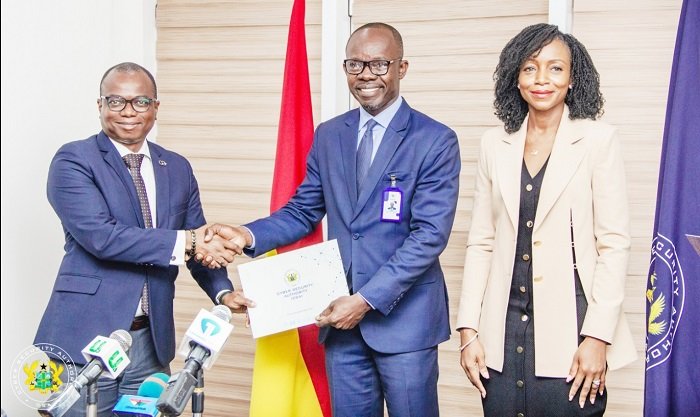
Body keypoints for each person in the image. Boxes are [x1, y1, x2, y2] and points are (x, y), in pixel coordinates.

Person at [204, 22, 461, 417]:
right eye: (356, 65)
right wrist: (246, 234)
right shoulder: (329, 136)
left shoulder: (434, 139)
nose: (366, 75)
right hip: (340, 324)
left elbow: (428, 236)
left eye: (379, 64)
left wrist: (365, 300)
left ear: (402, 68)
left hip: (404, 325)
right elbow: (303, 210)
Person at [33, 62, 253, 416]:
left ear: (155, 108)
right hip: (85, 341)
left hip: (150, 344)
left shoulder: (177, 167)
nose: (128, 112)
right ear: (100, 105)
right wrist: (191, 243)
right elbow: (102, 237)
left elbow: (197, 240)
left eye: (140, 102)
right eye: (116, 102)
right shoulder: (74, 160)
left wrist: (222, 292)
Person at [455, 23, 637, 416]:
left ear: (573, 79)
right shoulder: (494, 144)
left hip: (572, 328)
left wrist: (597, 337)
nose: (542, 79)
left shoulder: (598, 140)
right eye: (530, 68)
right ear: (515, 78)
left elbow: (614, 244)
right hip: (500, 330)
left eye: (556, 68)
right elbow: (481, 242)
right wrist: (468, 330)